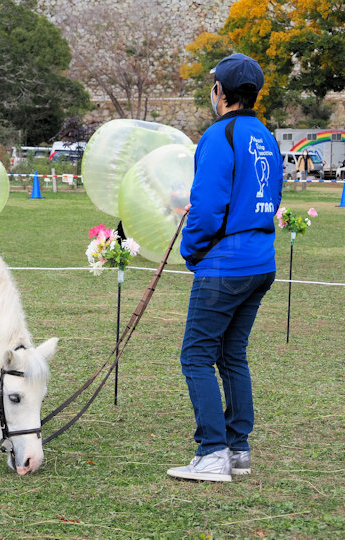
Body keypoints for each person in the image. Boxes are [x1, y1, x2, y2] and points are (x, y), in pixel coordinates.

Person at [167, 53, 283, 483]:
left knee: (196, 356)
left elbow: (208, 207)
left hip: (225, 265)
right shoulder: (265, 136)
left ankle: (212, 451)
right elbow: (274, 195)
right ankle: (238, 450)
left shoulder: (219, 136)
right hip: (261, 260)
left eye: (213, 84)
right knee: (231, 354)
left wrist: (192, 251)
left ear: (221, 92)